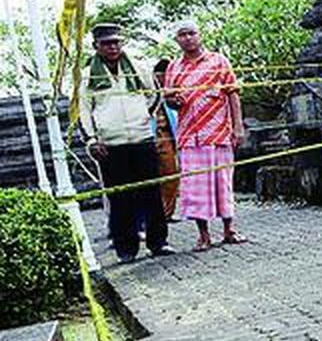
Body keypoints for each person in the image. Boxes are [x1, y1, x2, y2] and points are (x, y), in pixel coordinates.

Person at [78, 23, 173, 262]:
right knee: (120, 199)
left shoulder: (138, 67)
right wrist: (91, 140)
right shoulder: (87, 76)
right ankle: (126, 249)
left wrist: (144, 116)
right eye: (106, 43)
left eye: (116, 42)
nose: (112, 47)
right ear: (96, 46)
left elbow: (155, 93)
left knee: (151, 193)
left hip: (142, 138)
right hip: (110, 145)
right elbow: (82, 111)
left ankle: (158, 242)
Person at [163, 19, 247, 252]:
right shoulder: (174, 67)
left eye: (191, 33)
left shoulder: (218, 61)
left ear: (200, 35)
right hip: (190, 136)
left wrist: (238, 127)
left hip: (219, 133)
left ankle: (229, 230)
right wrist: (173, 101)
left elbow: (233, 94)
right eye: (182, 35)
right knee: (196, 186)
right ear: (177, 40)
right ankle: (203, 235)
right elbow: (168, 98)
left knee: (223, 183)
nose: (187, 38)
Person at [150, 58, 180, 220]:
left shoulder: (173, 92)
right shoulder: (147, 89)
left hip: (167, 136)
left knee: (171, 174)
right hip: (147, 137)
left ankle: (166, 213)